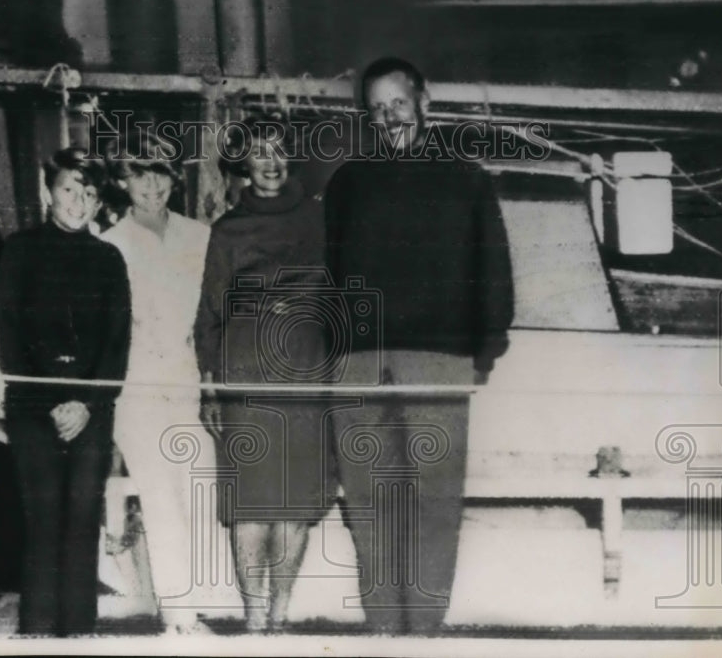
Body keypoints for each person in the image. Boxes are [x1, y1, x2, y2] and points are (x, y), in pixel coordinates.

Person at [324, 57, 515, 634]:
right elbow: (326, 274)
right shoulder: (348, 181)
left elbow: (495, 272)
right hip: (358, 364)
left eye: (398, 103)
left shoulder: (467, 179)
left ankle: (425, 635)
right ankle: (385, 633)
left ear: (424, 102)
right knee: (368, 507)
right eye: (376, 109)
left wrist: (484, 351)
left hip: (439, 361)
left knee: (433, 506)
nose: (388, 117)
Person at [194, 116, 335, 633]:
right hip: (245, 379)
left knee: (296, 504)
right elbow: (209, 314)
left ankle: (280, 615)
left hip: (305, 374)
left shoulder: (321, 221)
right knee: (251, 504)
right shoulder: (227, 230)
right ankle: (254, 620)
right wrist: (210, 387)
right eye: (258, 152)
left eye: (278, 151)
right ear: (243, 163)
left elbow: (341, 299)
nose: (271, 162)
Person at [0, 148, 132, 636]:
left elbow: (117, 345)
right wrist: (53, 404)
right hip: (34, 413)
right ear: (48, 191)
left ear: (99, 204)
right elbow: (9, 338)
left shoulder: (109, 259)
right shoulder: (20, 250)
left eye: (90, 193)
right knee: (45, 525)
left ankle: (79, 636)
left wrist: (87, 403)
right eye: (70, 188)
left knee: (82, 527)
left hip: (92, 414)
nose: (79, 201)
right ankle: (37, 636)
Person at [100, 132, 218, 635]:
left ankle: (191, 610)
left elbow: (212, 316)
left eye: (161, 172)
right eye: (139, 173)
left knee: (201, 491)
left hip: (187, 383)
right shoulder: (109, 245)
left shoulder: (201, 236)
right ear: (123, 181)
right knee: (162, 500)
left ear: (176, 177)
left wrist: (211, 384)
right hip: (136, 388)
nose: (152, 184)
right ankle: (180, 621)